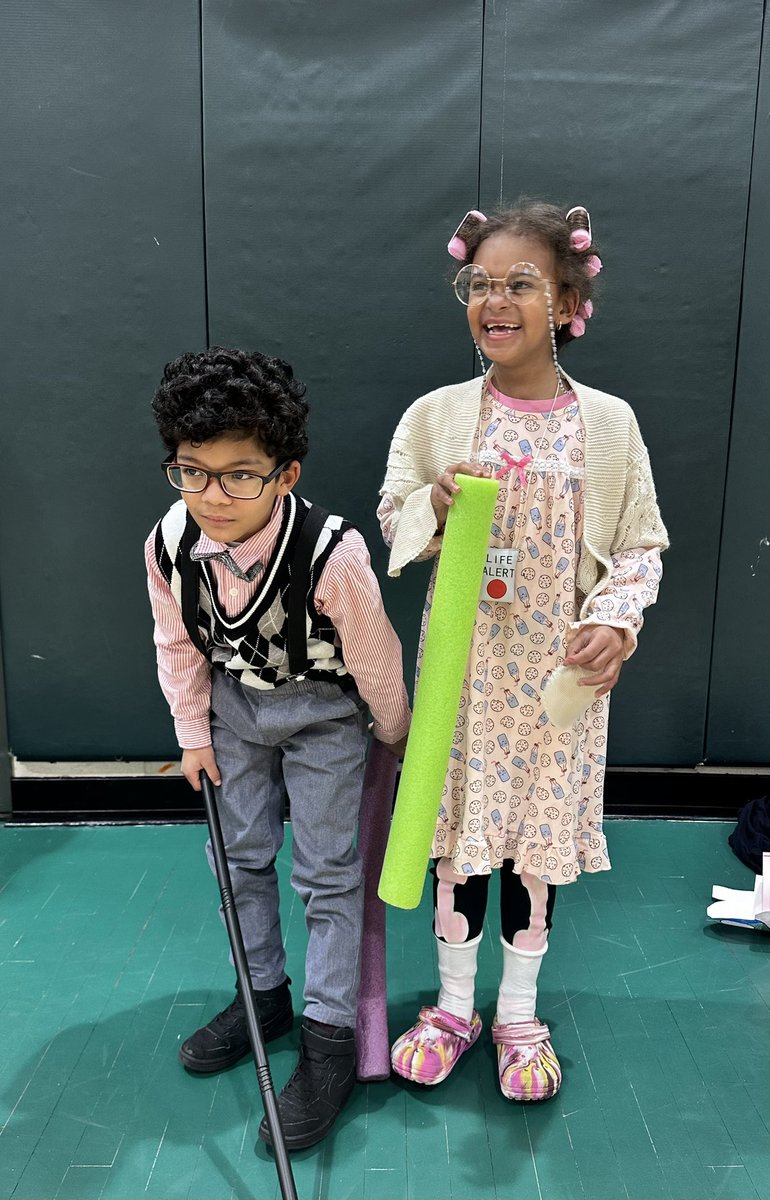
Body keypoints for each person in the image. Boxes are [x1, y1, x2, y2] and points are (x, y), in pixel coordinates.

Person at [377, 201, 668, 1101]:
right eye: (480, 284)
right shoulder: (436, 416)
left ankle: (518, 1017)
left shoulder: (610, 426)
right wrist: (434, 499)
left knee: (534, 851)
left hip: (556, 688)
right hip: (462, 680)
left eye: (520, 285)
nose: (495, 302)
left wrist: (616, 622)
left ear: (567, 300)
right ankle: (455, 1009)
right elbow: (393, 524)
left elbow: (641, 547)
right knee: (459, 845)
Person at [145, 346, 410, 1149]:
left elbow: (376, 658)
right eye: (192, 471)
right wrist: (194, 734)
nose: (213, 496)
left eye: (240, 475)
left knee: (328, 875)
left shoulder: (335, 555)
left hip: (324, 715)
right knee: (238, 858)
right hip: (233, 709)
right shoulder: (167, 546)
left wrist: (393, 739)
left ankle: (329, 1039)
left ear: (285, 474)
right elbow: (178, 647)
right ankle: (261, 995)